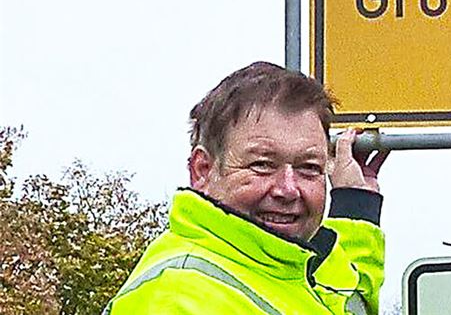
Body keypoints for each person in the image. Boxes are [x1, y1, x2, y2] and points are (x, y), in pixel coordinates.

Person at [104, 61, 388, 315]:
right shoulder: (175, 298)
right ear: (202, 170)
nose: (288, 189)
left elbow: (345, 300)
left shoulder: (289, 268)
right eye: (262, 164)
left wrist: (356, 204)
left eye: (309, 168)